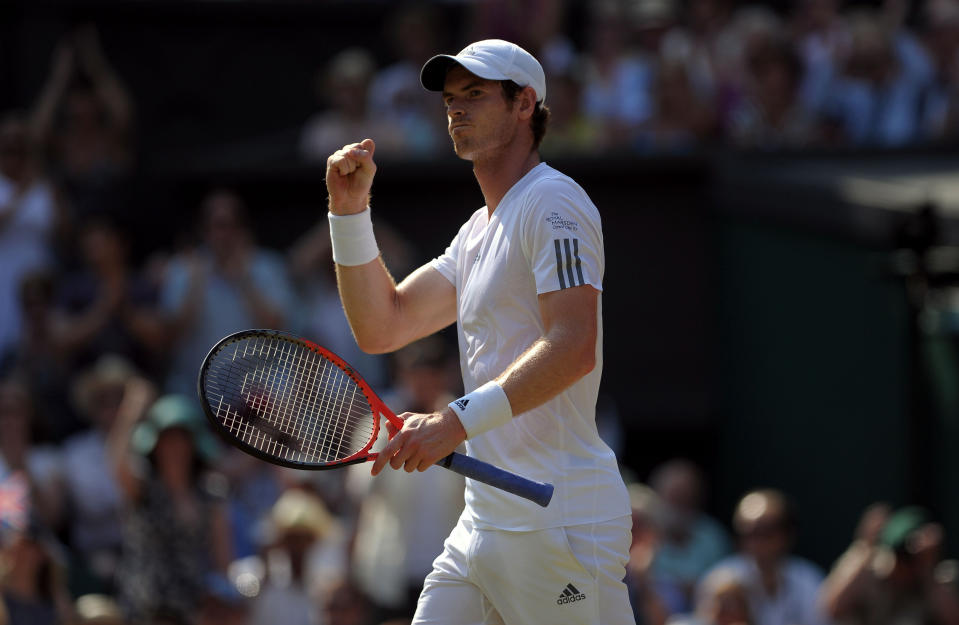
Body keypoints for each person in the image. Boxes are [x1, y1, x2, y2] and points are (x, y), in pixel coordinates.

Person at [325, 38, 633, 625]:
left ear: (525, 105)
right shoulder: (474, 234)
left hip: (557, 518)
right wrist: (348, 212)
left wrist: (454, 422)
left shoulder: (555, 204)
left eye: (475, 95)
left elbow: (572, 348)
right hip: (483, 524)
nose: (457, 110)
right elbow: (381, 324)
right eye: (449, 101)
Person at [700, 489, 828, 625]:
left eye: (765, 532)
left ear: (787, 535)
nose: (755, 542)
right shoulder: (719, 581)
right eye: (746, 533)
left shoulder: (809, 579)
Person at [819, 503, 959, 625]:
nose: (900, 567)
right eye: (897, 556)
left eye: (907, 559)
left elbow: (954, 620)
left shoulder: (939, 577)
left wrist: (927, 569)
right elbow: (830, 609)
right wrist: (864, 546)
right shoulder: (870, 568)